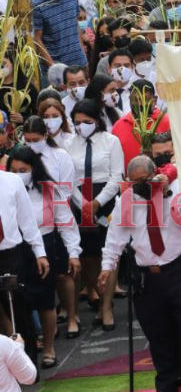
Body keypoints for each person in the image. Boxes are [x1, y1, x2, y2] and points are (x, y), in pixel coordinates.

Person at [99, 155, 181, 392]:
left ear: (155, 173)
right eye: (134, 181)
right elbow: (116, 236)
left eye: (144, 179)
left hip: (178, 268)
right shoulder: (126, 200)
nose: (140, 185)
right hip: (146, 276)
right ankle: (167, 382)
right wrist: (107, 266)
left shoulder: (176, 190)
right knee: (157, 332)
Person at [8, 147, 81, 367]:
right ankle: (23, 350)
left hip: (44, 247)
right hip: (14, 249)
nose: (18, 174)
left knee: (45, 301)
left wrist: (73, 252)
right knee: (16, 303)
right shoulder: (6, 188)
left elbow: (66, 221)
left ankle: (49, 348)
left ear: (33, 169)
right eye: (14, 170)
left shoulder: (49, 189)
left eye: (23, 170)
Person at [70, 99, 124, 329]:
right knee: (88, 254)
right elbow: (68, 178)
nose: (81, 126)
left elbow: (117, 175)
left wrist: (97, 203)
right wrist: (84, 204)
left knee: (108, 252)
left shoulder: (111, 141)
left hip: (106, 201)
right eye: (77, 122)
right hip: (80, 200)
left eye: (86, 121)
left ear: (97, 120)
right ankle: (100, 298)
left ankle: (107, 306)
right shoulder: (69, 144)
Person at [0, 167, 49, 365]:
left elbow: (27, 220)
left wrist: (40, 252)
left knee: (18, 311)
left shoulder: (12, 181)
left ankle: (29, 366)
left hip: (10, 255)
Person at [32, 0, 88, 68]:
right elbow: (37, 39)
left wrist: (83, 55)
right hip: (56, 65)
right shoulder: (37, 4)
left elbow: (75, 24)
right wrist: (53, 67)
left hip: (78, 62)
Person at [111, 80, 170, 169]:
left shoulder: (167, 122)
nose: (140, 104)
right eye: (136, 100)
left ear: (154, 100)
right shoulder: (118, 126)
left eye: (145, 99)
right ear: (129, 99)